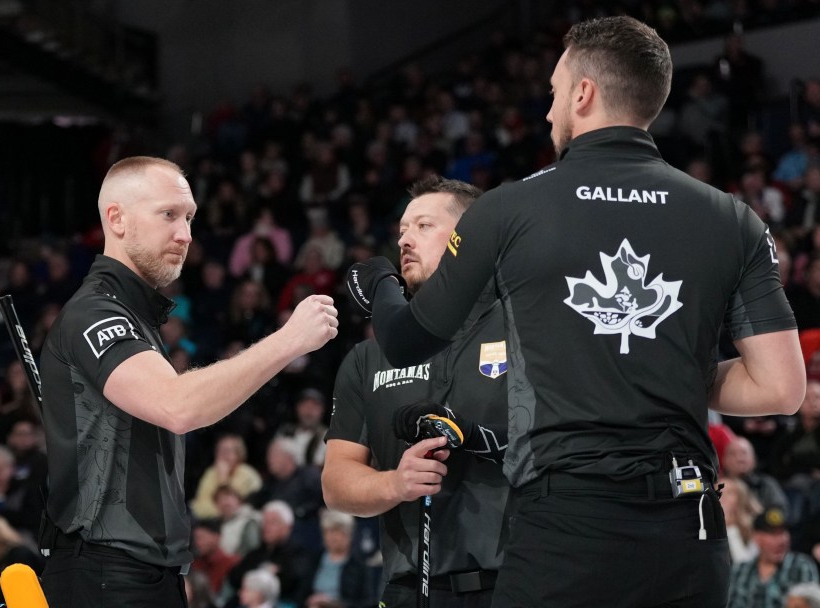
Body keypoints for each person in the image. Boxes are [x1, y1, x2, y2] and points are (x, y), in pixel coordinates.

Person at [345, 16, 805, 608]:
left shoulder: (509, 209)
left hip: (565, 526)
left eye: (555, 92)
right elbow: (782, 387)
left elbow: (407, 339)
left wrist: (380, 279)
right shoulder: (731, 218)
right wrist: (664, 368)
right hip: (687, 528)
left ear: (584, 93)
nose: (548, 110)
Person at [38, 156, 338, 608]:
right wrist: (289, 340)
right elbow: (178, 406)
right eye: (169, 214)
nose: (185, 235)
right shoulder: (95, 312)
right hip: (106, 573)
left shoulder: (134, 317)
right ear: (116, 219)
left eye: (190, 217)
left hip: (139, 572)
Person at [325, 176, 509, 608]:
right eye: (402, 230)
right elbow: (336, 483)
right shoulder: (368, 357)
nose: (405, 240)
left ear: (472, 238)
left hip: (518, 581)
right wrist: (395, 483)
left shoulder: (526, 327)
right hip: (410, 590)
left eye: (423, 226)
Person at [727, 507, 820, 608]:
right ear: (756, 537)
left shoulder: (802, 566)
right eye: (773, 535)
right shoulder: (740, 570)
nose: (780, 541)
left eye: (782, 533)